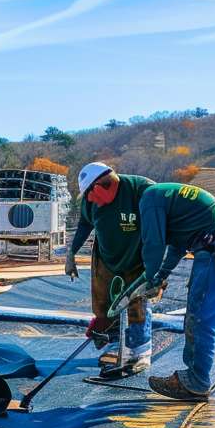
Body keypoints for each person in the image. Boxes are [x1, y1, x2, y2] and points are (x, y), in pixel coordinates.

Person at [131, 182, 215, 401]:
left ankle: (196, 382)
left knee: (200, 318)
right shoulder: (168, 199)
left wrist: (149, 277)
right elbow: (178, 246)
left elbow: (154, 244)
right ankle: (196, 377)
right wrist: (161, 275)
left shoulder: (149, 199)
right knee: (199, 314)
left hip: (214, 247)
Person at [65, 162, 156, 378]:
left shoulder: (141, 191)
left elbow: (162, 227)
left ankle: (139, 351)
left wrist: (156, 268)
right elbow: (84, 224)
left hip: (137, 259)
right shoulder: (91, 201)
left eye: (91, 194)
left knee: (136, 305)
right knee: (104, 305)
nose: (90, 199)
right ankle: (114, 343)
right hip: (106, 258)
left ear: (104, 184)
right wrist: (71, 253)